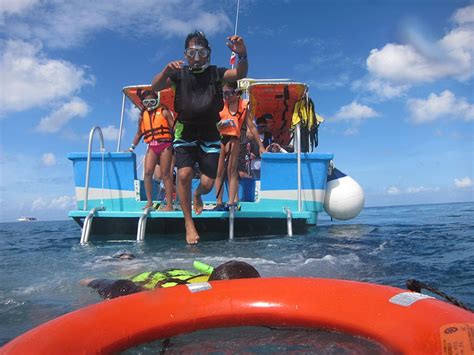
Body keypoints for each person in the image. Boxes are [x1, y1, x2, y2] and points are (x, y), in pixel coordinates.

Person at [151, 31, 248, 244]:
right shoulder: (178, 74)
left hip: (210, 133)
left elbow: (239, 75)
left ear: (208, 54)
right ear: (185, 54)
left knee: (207, 182)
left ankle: (197, 195)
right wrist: (166, 69)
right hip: (185, 132)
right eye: (192, 52)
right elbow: (155, 86)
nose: (196, 57)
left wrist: (242, 54)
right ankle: (189, 223)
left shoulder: (216, 73)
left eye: (201, 52)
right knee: (184, 174)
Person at [81, 260, 260, 300]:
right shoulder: (172, 295)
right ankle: (125, 259)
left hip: (187, 275)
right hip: (161, 279)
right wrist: (92, 281)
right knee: (128, 277)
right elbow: (121, 287)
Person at [214, 82, 265, 210]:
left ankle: (231, 203)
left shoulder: (243, 107)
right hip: (221, 139)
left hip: (234, 139)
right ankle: (219, 202)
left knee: (232, 171)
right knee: (219, 171)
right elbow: (213, 123)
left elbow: (252, 127)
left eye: (228, 93)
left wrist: (260, 146)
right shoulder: (220, 105)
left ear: (236, 93)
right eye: (223, 93)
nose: (226, 97)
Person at [130, 91, 175, 211]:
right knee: (147, 173)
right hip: (152, 146)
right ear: (143, 103)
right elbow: (139, 133)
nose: (149, 104)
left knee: (166, 175)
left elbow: (174, 128)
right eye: (146, 102)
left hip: (165, 145)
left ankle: (169, 205)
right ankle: (149, 202)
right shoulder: (142, 116)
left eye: (152, 101)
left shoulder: (164, 112)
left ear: (157, 101)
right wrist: (131, 147)